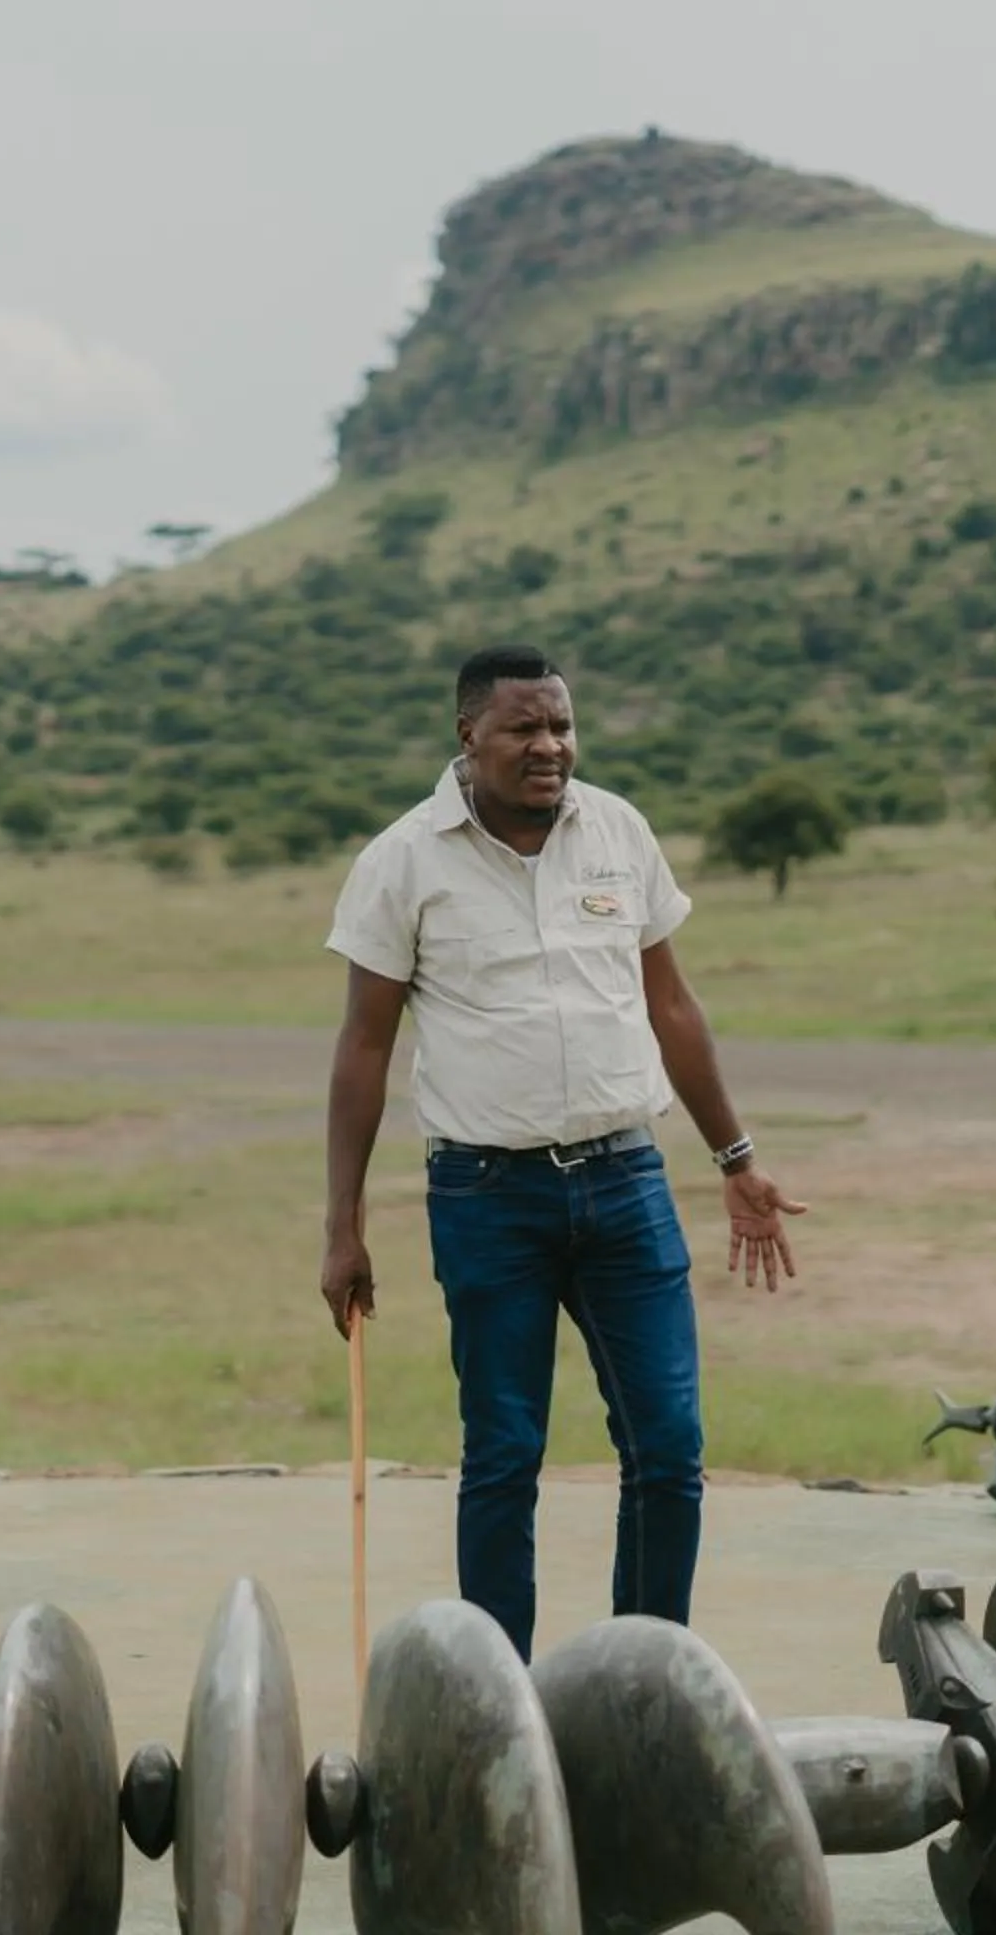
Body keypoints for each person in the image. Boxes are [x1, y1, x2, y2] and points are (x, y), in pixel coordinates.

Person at [318, 642, 809, 1659]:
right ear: (468, 735)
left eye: (561, 725)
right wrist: (343, 1228)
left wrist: (737, 1156)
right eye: (524, 728)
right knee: (504, 1454)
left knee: (668, 1450)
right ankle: (503, 1702)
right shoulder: (403, 859)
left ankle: (646, 1680)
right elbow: (363, 1049)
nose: (550, 746)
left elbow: (670, 1004)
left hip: (628, 1180)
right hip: (486, 1195)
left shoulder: (618, 830)